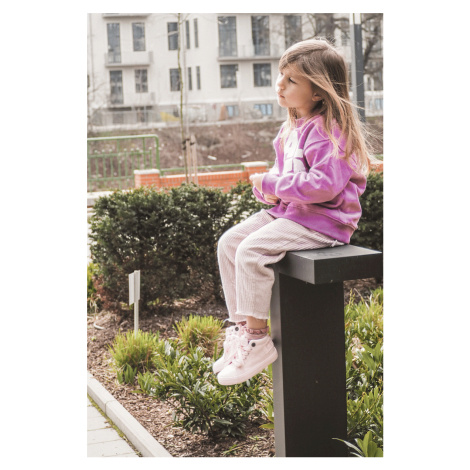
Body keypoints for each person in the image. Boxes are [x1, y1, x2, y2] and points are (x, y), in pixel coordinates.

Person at [214, 38, 373, 386]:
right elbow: (283, 179)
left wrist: (272, 183)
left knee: (250, 251)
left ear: (318, 91)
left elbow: (324, 186)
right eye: (281, 75)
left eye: (291, 80)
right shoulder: (290, 130)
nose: (280, 84)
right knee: (229, 244)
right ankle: (241, 332)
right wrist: (267, 189)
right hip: (293, 214)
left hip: (324, 222)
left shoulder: (330, 132)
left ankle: (257, 340)